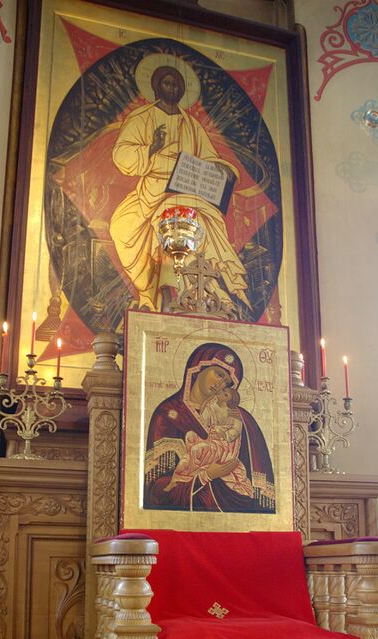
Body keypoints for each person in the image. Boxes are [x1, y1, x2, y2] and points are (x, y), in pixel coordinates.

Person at [109, 64, 251, 312]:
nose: (172, 88)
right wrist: (151, 148)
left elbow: (209, 157)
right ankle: (147, 292)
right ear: (156, 87)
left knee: (188, 226)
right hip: (152, 188)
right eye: (167, 83)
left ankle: (198, 295)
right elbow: (121, 154)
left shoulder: (191, 125)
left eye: (176, 85)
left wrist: (224, 169)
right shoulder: (143, 117)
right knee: (120, 227)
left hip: (186, 189)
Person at [144, 342, 275, 513]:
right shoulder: (169, 414)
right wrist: (206, 476)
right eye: (219, 374)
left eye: (226, 382)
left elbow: (263, 496)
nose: (220, 384)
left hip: (235, 508)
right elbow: (156, 492)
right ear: (198, 367)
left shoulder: (241, 418)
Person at [166, 385, 254, 497]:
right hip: (210, 438)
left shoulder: (233, 413)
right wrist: (205, 406)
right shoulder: (211, 407)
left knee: (197, 449)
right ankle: (179, 477)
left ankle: (190, 473)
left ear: (229, 401)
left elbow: (236, 430)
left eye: (225, 394)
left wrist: (224, 434)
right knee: (190, 436)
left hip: (224, 445)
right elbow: (203, 423)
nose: (221, 393)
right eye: (223, 391)